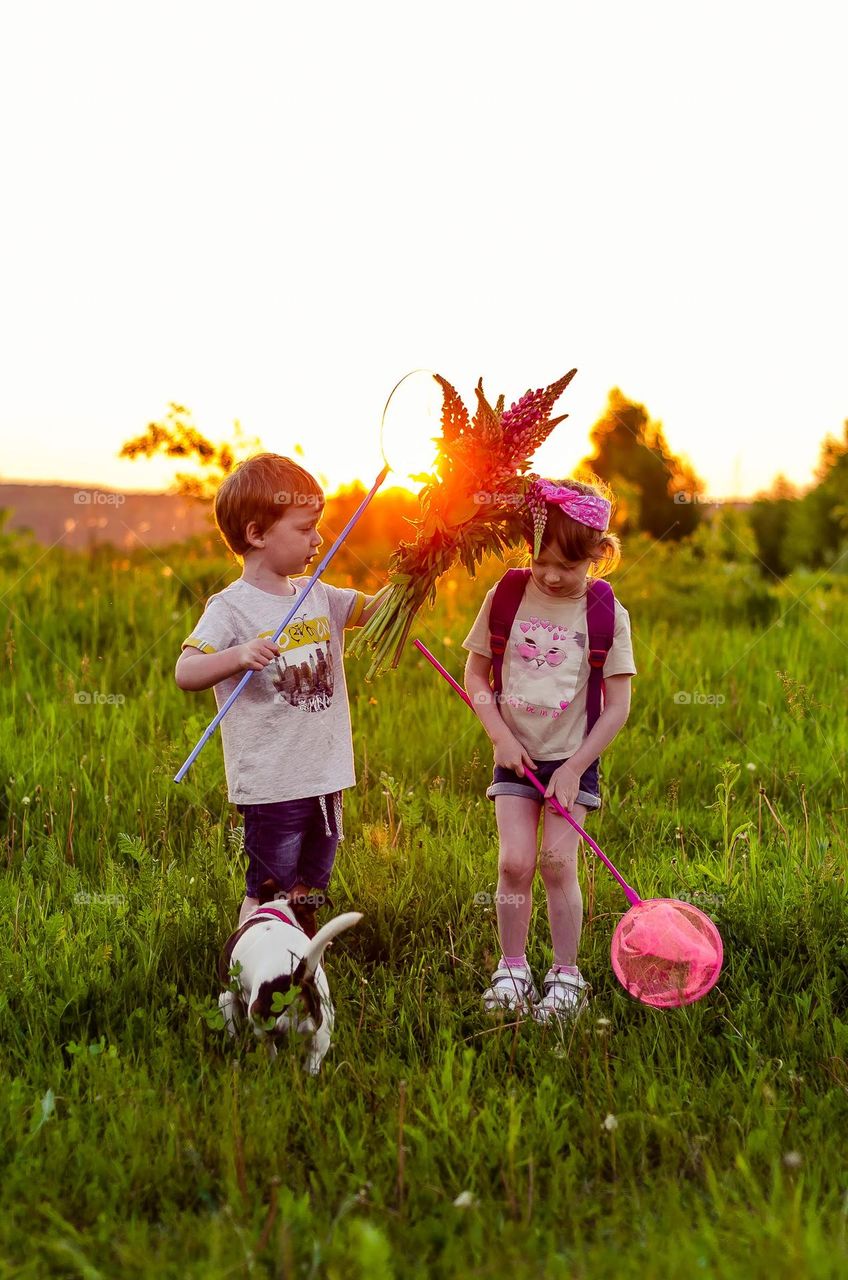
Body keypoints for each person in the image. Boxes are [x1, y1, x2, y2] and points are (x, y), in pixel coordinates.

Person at [175, 453, 384, 935]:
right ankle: (247, 967)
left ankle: (297, 962)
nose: (318, 540)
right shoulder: (230, 608)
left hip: (326, 776)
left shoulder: (318, 593)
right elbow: (186, 671)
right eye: (306, 528)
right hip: (273, 784)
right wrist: (238, 655)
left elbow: (376, 610)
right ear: (257, 534)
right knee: (268, 889)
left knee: (309, 886)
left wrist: (416, 578)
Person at [462, 477, 636, 1020]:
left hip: (572, 757)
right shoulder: (507, 594)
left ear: (597, 555)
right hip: (515, 751)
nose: (554, 576)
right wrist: (500, 736)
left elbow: (617, 707)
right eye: (542, 562)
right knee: (515, 862)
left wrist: (576, 769)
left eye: (570, 565)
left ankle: (567, 977)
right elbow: (475, 674)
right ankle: (511, 968)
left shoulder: (608, 612)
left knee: (559, 862)